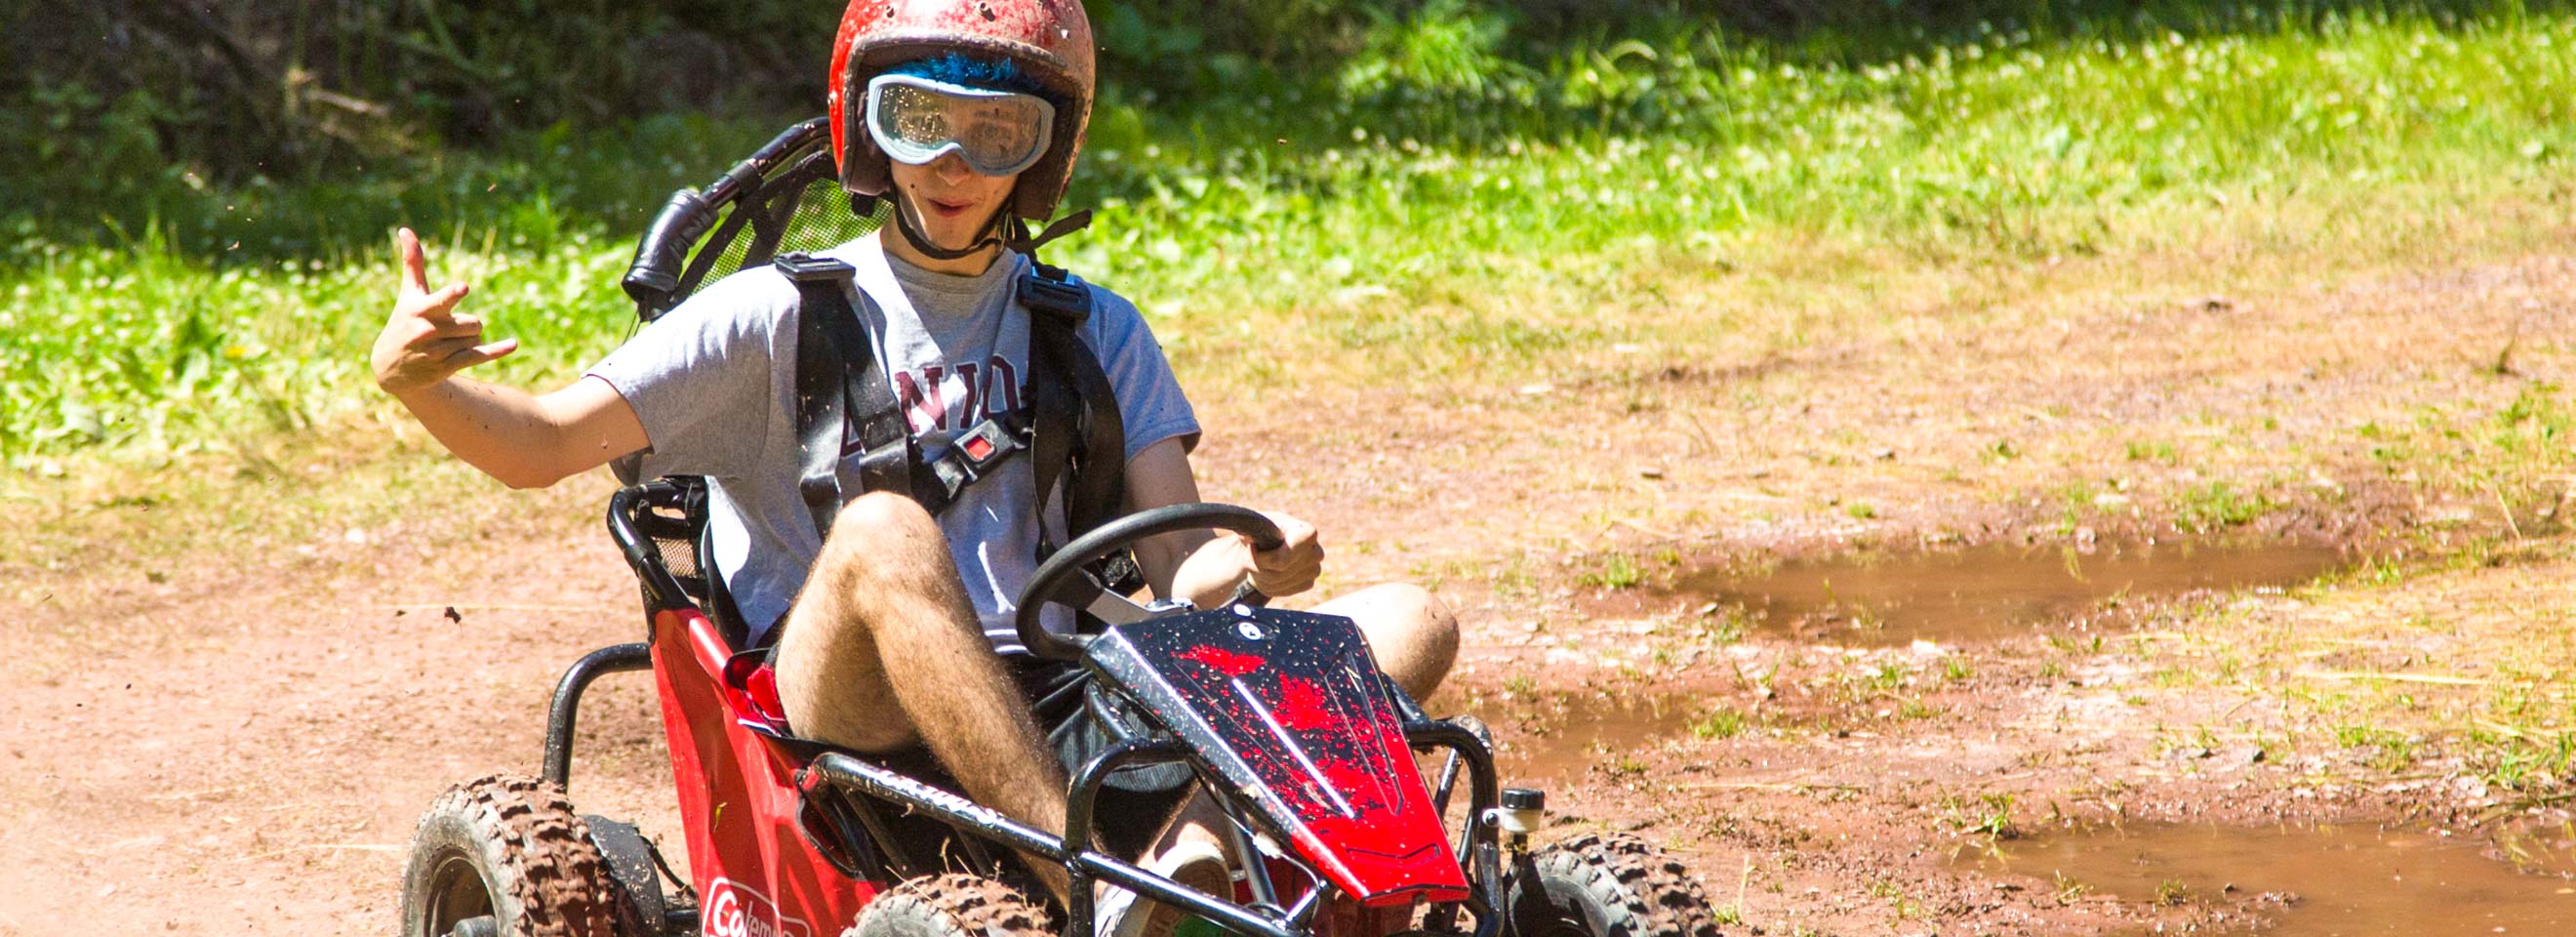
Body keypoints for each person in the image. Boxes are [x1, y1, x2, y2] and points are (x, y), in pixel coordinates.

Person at [367, 0, 1458, 930]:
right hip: (848, 696)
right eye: (921, 121)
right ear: (865, 127)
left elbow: (1178, 575)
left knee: (1412, 617)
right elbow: (541, 444)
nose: (954, 164)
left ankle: (1185, 859)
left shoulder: (1095, 326)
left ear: (1047, 151)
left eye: (999, 133)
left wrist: (1256, 568)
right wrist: (421, 379)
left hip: (1061, 678)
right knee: (887, 528)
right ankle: (1082, 888)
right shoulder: (771, 314)